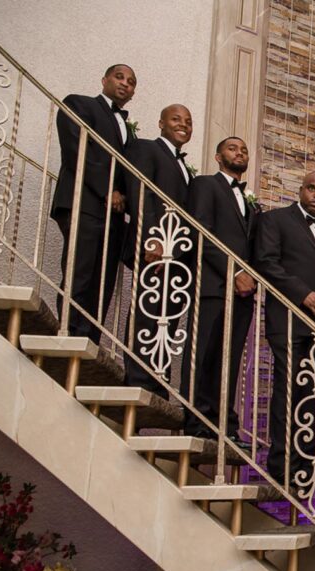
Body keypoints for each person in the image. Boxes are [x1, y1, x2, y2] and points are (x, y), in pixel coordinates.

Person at [255, 171, 315, 485]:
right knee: (287, 390)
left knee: (313, 396)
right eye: (312, 188)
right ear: (301, 189)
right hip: (288, 320)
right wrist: (303, 294)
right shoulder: (275, 220)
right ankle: (282, 466)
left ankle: (305, 466)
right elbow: (266, 263)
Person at [51, 64, 137, 342]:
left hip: (114, 214)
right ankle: (68, 332)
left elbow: (129, 172)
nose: (125, 83)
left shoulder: (128, 129)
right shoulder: (79, 104)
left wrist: (126, 199)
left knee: (103, 282)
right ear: (104, 80)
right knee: (80, 272)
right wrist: (108, 189)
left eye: (131, 82)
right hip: (85, 203)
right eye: (119, 77)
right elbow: (77, 150)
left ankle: (90, 340)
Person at [182, 137, 259, 444]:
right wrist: (235, 272)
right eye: (232, 148)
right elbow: (200, 231)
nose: (239, 152)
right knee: (203, 355)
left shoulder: (251, 203)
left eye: (244, 150)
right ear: (217, 156)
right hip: (213, 286)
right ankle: (196, 419)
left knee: (229, 361)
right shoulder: (205, 185)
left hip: (242, 296)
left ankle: (224, 424)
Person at [122, 104, 194, 395]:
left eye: (188, 122)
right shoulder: (146, 149)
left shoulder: (184, 167)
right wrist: (152, 237)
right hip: (156, 245)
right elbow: (141, 191)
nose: (183, 125)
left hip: (178, 253)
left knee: (168, 317)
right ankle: (138, 376)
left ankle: (158, 377)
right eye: (176, 119)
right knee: (147, 310)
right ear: (161, 123)